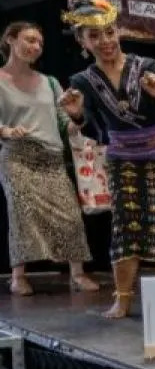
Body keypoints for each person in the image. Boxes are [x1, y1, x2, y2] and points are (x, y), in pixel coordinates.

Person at [58, 0, 155, 317]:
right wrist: (77, 117)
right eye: (95, 36)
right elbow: (91, 127)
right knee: (126, 226)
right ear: (82, 41)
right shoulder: (82, 81)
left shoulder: (146, 66)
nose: (105, 41)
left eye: (109, 32)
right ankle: (123, 298)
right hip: (123, 160)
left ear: (117, 31)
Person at [0, 21, 96, 296]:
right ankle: (18, 276)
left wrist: (77, 115)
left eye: (39, 43)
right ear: (10, 39)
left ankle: (77, 273)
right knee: (21, 213)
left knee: (70, 216)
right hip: (17, 156)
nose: (35, 47)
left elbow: (67, 124)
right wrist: (6, 130)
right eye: (29, 40)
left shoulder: (50, 82)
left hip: (52, 159)